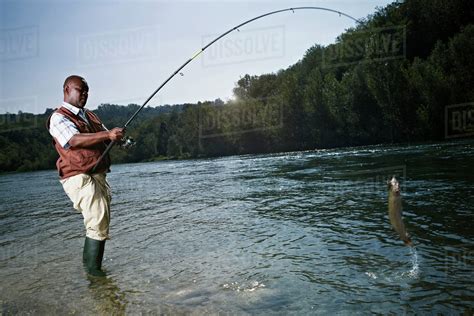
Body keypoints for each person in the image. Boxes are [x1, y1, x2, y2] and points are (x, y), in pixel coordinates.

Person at [47, 75, 124, 277]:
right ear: (67, 90)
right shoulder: (58, 117)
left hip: (97, 175)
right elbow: (73, 140)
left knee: (101, 221)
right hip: (77, 176)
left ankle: (92, 273)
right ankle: (94, 274)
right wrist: (107, 135)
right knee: (97, 221)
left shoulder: (90, 116)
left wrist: (117, 139)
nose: (85, 94)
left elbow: (105, 137)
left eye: (87, 91)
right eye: (81, 90)